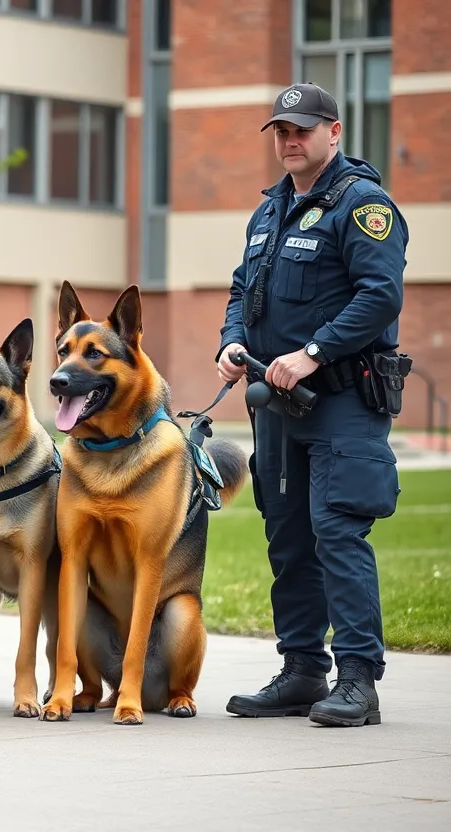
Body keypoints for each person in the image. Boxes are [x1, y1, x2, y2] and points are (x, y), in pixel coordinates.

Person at [216, 84, 408, 727]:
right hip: (275, 406)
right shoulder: (269, 210)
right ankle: (302, 671)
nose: (290, 139)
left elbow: (380, 296)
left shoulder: (363, 205)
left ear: (335, 130)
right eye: (281, 130)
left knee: (337, 532)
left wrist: (313, 353)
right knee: (288, 536)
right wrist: (232, 340)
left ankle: (358, 680)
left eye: (302, 128)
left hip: (342, 400)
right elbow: (243, 289)